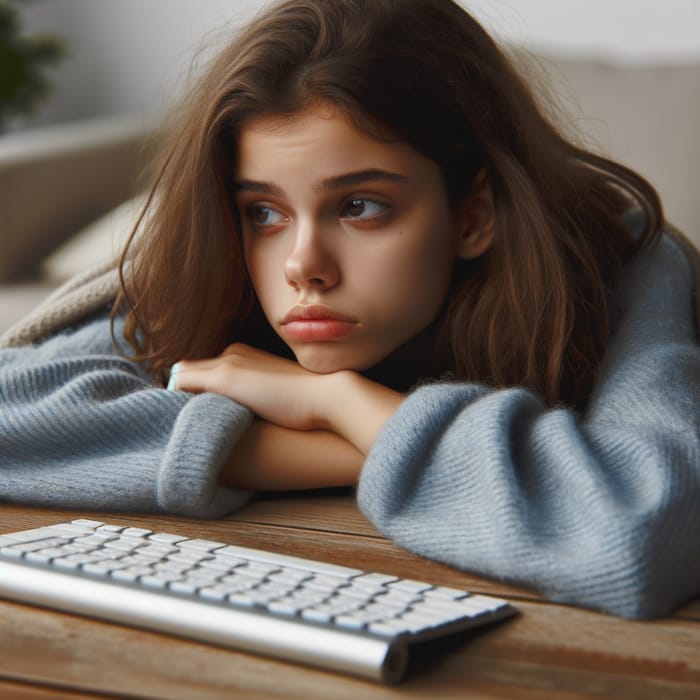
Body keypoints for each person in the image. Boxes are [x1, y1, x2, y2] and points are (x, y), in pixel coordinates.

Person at [1, 0, 699, 620]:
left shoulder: (622, 268)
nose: (303, 265)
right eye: (265, 211)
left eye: (360, 206)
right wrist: (335, 447)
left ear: (472, 215)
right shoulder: (220, 273)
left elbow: (639, 535)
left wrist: (335, 399)